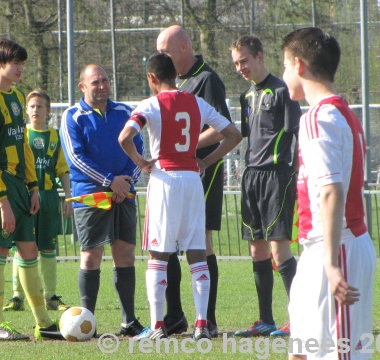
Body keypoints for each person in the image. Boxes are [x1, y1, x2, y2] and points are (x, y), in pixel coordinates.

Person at [119, 53, 242, 340]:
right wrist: (206, 162)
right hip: (192, 179)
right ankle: (202, 324)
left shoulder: (150, 104)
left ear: (152, 78)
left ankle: (158, 326)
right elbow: (233, 135)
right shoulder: (196, 102)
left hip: (165, 179)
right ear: (175, 75)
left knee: (158, 254)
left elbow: (125, 137)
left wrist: (140, 162)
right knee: (197, 252)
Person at [281, 27, 376, 359]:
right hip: (317, 251)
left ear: (299, 65)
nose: (283, 74)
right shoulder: (340, 112)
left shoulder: (320, 117)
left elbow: (332, 191)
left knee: (339, 354)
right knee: (301, 351)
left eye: (284, 66)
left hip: (337, 249)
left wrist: (332, 264)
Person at [0, 39, 62, 341]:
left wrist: (34, 186)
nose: (21, 69)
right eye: (16, 63)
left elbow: (22, 144)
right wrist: (2, 201)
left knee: (29, 249)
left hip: (20, 184)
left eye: (23, 63)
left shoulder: (17, 97)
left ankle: (44, 323)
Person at [156, 24, 231, 337]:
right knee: (168, 239)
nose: (161, 57)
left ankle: (208, 320)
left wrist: (186, 146)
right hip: (179, 171)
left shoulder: (207, 79)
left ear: (184, 48)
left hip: (203, 169)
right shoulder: (180, 82)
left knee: (201, 240)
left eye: (165, 52)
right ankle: (174, 316)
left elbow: (222, 128)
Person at [59, 64, 144, 337]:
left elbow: (139, 151)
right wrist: (110, 181)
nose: (102, 86)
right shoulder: (72, 116)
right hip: (90, 196)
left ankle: (129, 321)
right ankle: (88, 323)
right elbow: (75, 158)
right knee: (91, 256)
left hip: (124, 194)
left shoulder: (126, 113)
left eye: (105, 80)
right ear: (82, 86)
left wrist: (126, 181)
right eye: (95, 82)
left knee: (125, 255)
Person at [229, 35, 302, 337]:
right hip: (251, 176)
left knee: (279, 248)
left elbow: (296, 136)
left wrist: (294, 174)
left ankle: (301, 317)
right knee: (257, 249)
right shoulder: (246, 96)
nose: (240, 67)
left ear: (259, 56)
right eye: (236, 63)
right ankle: (265, 320)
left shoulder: (283, 90)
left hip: (277, 175)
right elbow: (248, 135)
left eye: (244, 60)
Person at [3, 89, 73, 312]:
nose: (35, 110)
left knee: (48, 247)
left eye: (40, 106)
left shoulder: (54, 136)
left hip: (49, 197)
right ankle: (17, 297)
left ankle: (51, 296)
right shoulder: (21, 135)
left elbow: (62, 169)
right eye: (32, 106)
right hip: (25, 197)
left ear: (48, 110)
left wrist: (69, 197)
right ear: (26, 110)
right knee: (21, 247)